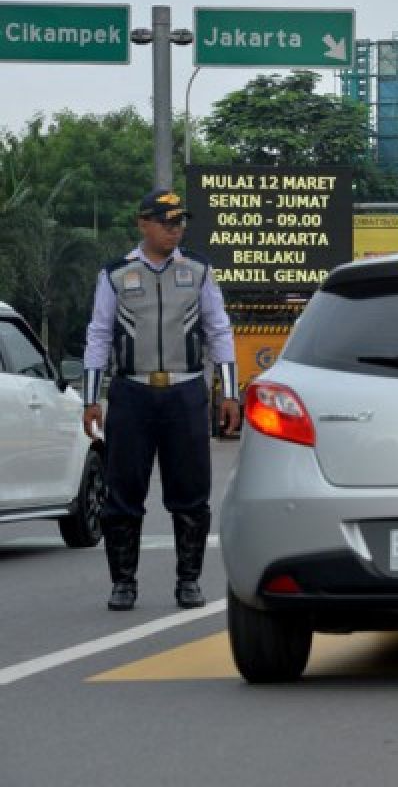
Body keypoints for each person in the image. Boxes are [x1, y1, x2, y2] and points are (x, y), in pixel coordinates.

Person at [82, 189, 241, 610]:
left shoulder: (199, 270)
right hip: (131, 392)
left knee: (190, 492)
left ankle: (188, 580)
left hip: (185, 391)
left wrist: (229, 392)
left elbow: (219, 330)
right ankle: (123, 583)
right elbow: (99, 333)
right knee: (124, 492)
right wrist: (90, 398)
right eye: (167, 222)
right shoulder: (116, 274)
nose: (176, 230)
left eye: (180, 223)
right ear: (144, 224)